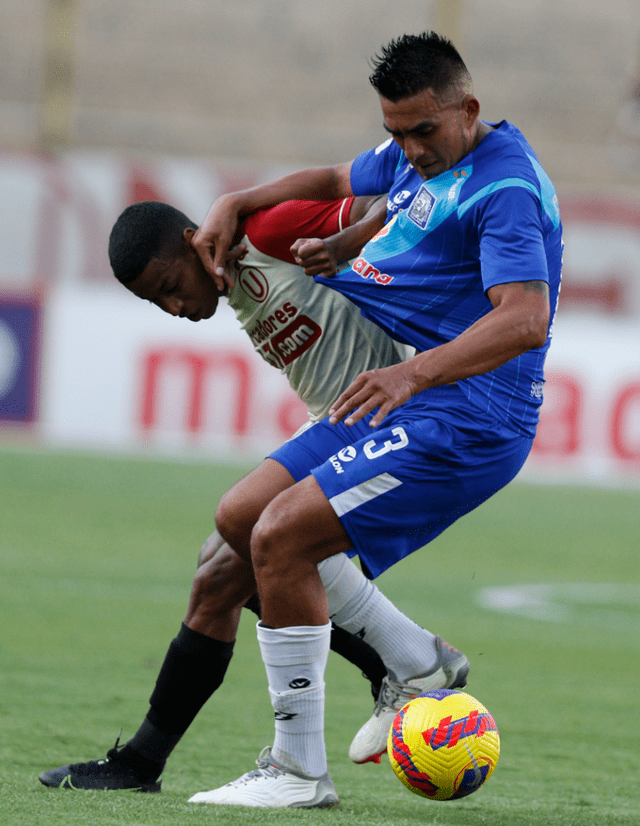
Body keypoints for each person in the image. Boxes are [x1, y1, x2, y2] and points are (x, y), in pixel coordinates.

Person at [183, 32, 563, 808]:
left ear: (469, 110)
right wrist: (238, 201)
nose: (408, 149)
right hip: (413, 392)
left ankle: (297, 772)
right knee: (241, 517)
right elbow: (333, 175)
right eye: (396, 132)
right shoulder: (420, 151)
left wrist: (410, 370)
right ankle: (414, 662)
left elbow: (525, 319)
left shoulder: (506, 190)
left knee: (281, 536)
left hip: (469, 415)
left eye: (423, 131)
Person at [38, 193, 469, 794]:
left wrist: (341, 234)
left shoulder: (271, 230)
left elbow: (383, 197)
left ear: (196, 240)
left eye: (171, 285)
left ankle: (405, 663)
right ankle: (141, 764)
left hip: (387, 410)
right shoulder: (230, 272)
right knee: (218, 574)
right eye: (154, 301)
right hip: (336, 420)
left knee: (244, 521)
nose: (174, 306)